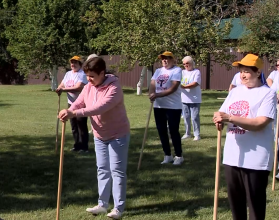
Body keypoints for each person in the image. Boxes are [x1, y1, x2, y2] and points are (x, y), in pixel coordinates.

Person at [58, 57, 130, 219]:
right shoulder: (89, 86)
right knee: (102, 169)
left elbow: (99, 107)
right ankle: (102, 204)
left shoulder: (114, 87)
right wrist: (68, 110)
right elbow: (80, 102)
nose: (89, 79)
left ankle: (118, 208)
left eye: (92, 76)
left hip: (118, 134)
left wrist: (74, 113)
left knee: (117, 171)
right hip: (99, 135)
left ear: (102, 73)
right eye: (87, 76)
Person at [213, 54, 276, 220]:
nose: (243, 75)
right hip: (232, 156)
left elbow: (260, 123)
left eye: (247, 71)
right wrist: (218, 119)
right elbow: (222, 112)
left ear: (257, 72)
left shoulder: (267, 94)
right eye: (241, 71)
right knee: (236, 203)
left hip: (256, 159)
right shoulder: (235, 92)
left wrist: (230, 118)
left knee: (254, 204)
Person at [149, 51, 184, 165]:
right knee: (161, 130)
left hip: (173, 106)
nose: (164, 60)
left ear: (173, 60)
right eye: (163, 58)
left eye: (167, 58)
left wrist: (158, 94)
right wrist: (151, 94)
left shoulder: (177, 70)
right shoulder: (158, 71)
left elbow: (174, 87)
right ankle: (167, 155)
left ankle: (178, 155)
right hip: (159, 105)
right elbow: (153, 83)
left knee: (173, 130)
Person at [56, 56, 89, 152]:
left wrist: (63, 89)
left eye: (75, 63)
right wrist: (59, 88)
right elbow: (62, 84)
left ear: (80, 64)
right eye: (72, 63)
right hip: (71, 103)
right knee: (74, 125)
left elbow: (78, 88)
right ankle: (77, 146)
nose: (73, 64)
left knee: (81, 125)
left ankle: (84, 147)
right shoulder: (68, 74)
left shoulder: (82, 74)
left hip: (82, 104)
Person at [181, 56, 202, 141]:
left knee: (194, 117)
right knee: (186, 117)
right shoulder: (182, 72)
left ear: (192, 63)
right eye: (184, 64)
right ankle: (187, 133)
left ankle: (197, 134)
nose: (186, 65)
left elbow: (195, 83)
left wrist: (183, 86)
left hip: (194, 99)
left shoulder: (196, 72)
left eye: (187, 63)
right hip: (184, 99)